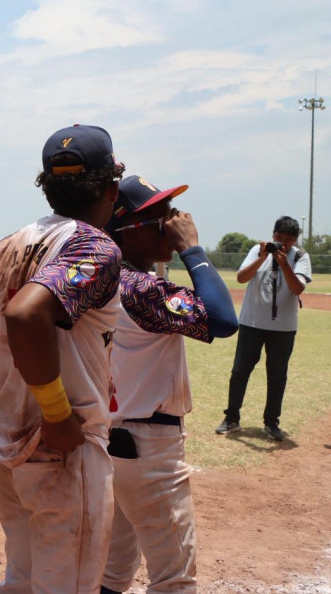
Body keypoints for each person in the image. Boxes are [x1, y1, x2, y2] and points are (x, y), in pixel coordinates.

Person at [0, 124, 124, 592]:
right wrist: (56, 412)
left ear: (46, 187)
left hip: (8, 445)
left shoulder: (7, 245)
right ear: (111, 188)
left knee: (22, 582)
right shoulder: (94, 244)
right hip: (61, 447)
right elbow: (26, 315)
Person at [99, 175, 238, 593]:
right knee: (174, 579)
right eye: (160, 219)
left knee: (111, 572)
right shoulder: (139, 287)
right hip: (149, 449)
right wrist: (191, 248)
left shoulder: (105, 277)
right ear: (128, 232)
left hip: (114, 442)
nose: (173, 223)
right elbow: (222, 320)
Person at [216, 216, 311, 441]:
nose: (283, 243)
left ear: (295, 240)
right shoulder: (257, 251)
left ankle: (271, 422)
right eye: (279, 237)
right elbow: (241, 278)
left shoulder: (300, 256)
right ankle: (232, 418)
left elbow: (297, 288)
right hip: (252, 323)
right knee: (239, 372)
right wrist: (262, 257)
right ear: (273, 234)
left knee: (277, 375)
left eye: (288, 239)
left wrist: (285, 264)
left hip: (284, 328)